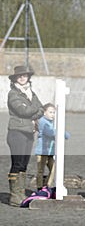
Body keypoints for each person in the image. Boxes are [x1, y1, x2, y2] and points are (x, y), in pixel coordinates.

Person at [6, 65, 44, 206]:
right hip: (16, 132)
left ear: (28, 77)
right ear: (16, 78)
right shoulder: (13, 94)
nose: (22, 78)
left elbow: (41, 108)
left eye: (25, 75)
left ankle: (20, 193)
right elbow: (23, 111)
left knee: (24, 164)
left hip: (28, 132)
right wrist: (34, 110)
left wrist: (33, 110)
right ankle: (15, 195)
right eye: (20, 76)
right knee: (17, 164)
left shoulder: (31, 93)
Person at [36, 103, 70, 189]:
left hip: (50, 151)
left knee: (54, 169)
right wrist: (61, 132)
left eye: (54, 112)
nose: (53, 114)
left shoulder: (53, 123)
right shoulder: (43, 121)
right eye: (50, 112)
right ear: (44, 113)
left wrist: (63, 133)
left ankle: (47, 185)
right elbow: (50, 133)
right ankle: (39, 188)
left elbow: (64, 135)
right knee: (40, 170)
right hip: (42, 151)